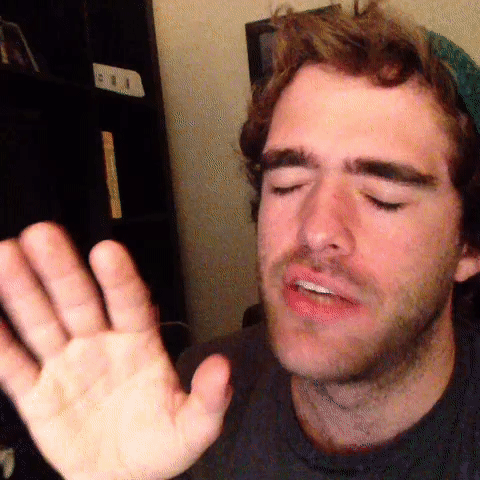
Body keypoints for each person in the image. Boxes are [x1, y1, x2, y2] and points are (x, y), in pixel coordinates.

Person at [0, 1, 479, 479]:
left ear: (469, 245)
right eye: (287, 184)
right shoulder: (188, 400)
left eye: (382, 197)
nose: (316, 230)